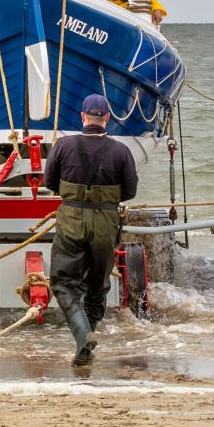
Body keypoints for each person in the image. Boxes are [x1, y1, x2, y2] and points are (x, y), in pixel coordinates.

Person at [43, 93, 138, 367]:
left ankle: (83, 336)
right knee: (97, 288)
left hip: (71, 218)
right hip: (106, 223)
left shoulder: (63, 145)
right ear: (107, 118)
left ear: (83, 117)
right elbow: (130, 191)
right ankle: (85, 343)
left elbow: (50, 182)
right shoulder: (121, 151)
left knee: (63, 282)